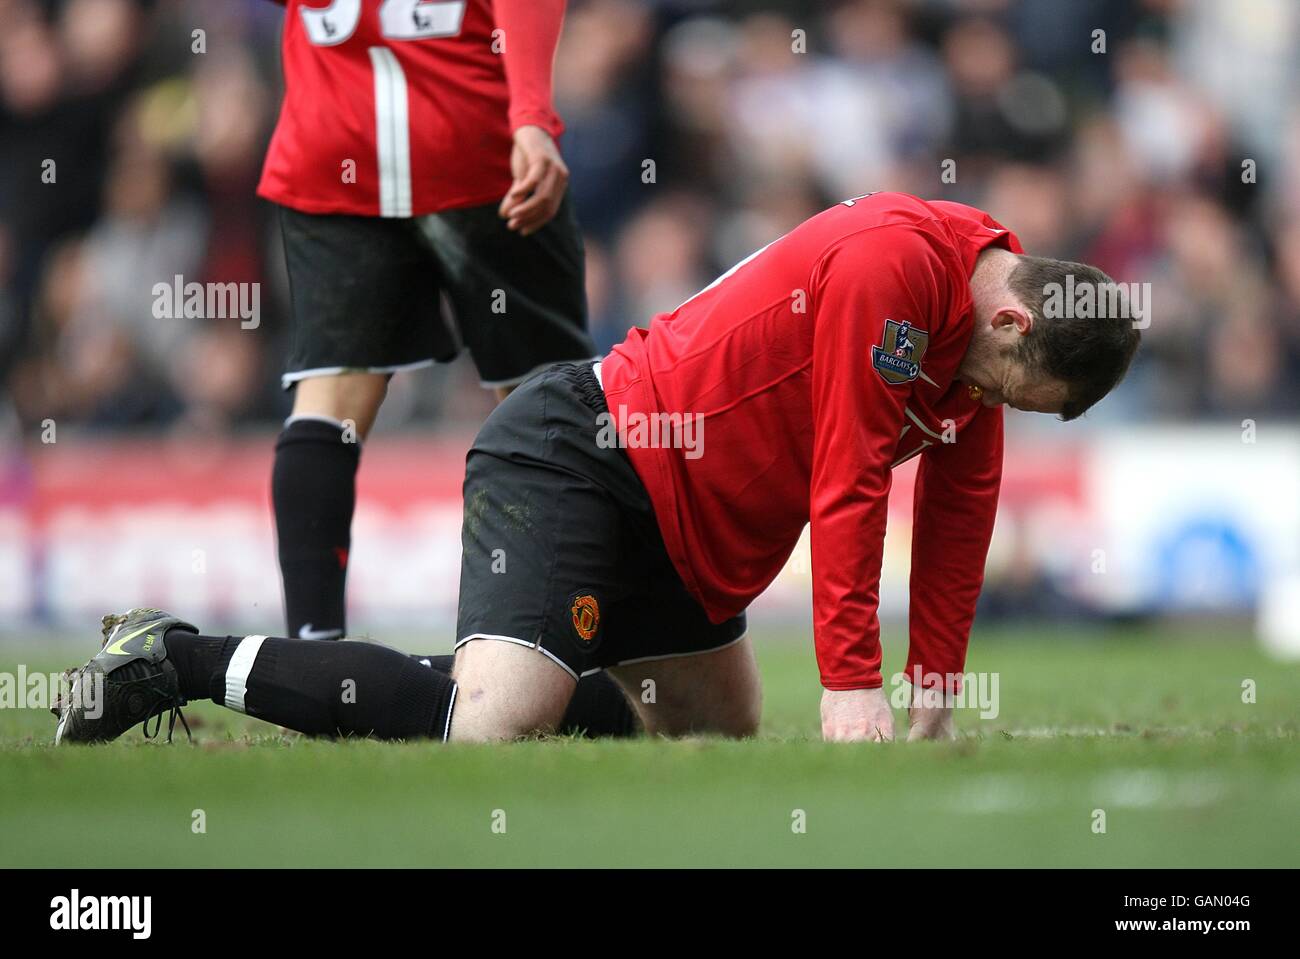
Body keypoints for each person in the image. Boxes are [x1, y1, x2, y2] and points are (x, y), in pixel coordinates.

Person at [54, 192, 1140, 746]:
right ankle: (171, 657)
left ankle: (532, 661)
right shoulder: (894, 270)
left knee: (713, 737)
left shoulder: (984, 342)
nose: (988, 407)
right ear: (1010, 317)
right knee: (488, 724)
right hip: (589, 452)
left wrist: (939, 683)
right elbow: (849, 481)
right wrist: (857, 685)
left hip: (694, 538)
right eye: (1004, 388)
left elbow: (961, 501)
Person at [260, 0, 595, 642]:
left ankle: (312, 649)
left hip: (336, 155)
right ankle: (550, 644)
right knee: (545, 404)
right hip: (476, 155)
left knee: (329, 399)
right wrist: (531, 117)